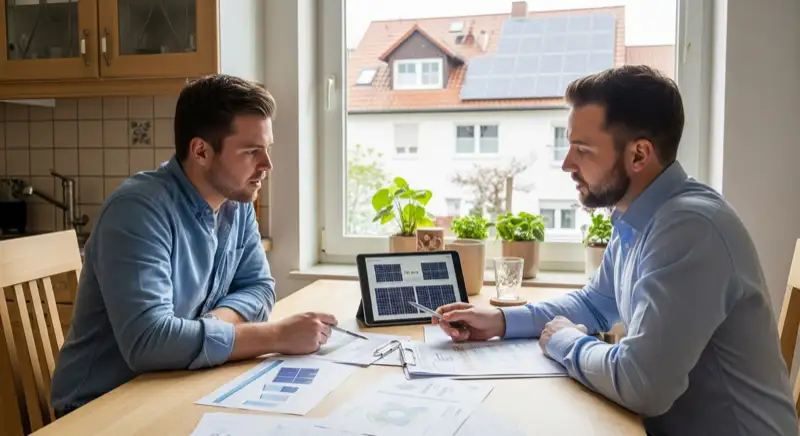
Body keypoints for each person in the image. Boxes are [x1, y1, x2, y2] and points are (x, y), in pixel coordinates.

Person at [434, 65, 798, 435]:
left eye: (582, 150)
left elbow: (642, 385)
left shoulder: (690, 228)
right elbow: (596, 303)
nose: (566, 164)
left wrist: (563, 339)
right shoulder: (640, 215)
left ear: (639, 155)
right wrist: (502, 322)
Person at [51, 75, 337, 416]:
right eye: (251, 151)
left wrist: (206, 327)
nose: (267, 166)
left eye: (267, 149)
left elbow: (260, 290)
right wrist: (276, 335)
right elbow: (149, 343)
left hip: (174, 383)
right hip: (101, 408)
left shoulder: (237, 202)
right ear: (201, 150)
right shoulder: (138, 211)